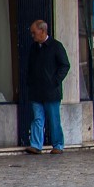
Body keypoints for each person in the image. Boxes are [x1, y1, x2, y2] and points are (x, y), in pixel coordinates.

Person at [25, 19, 70, 155]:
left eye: (34, 32)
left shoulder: (56, 46)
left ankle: (58, 145)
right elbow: (30, 67)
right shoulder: (34, 48)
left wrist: (55, 81)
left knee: (54, 119)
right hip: (36, 90)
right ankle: (36, 144)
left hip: (51, 91)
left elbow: (65, 65)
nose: (32, 35)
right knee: (37, 119)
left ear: (42, 31)